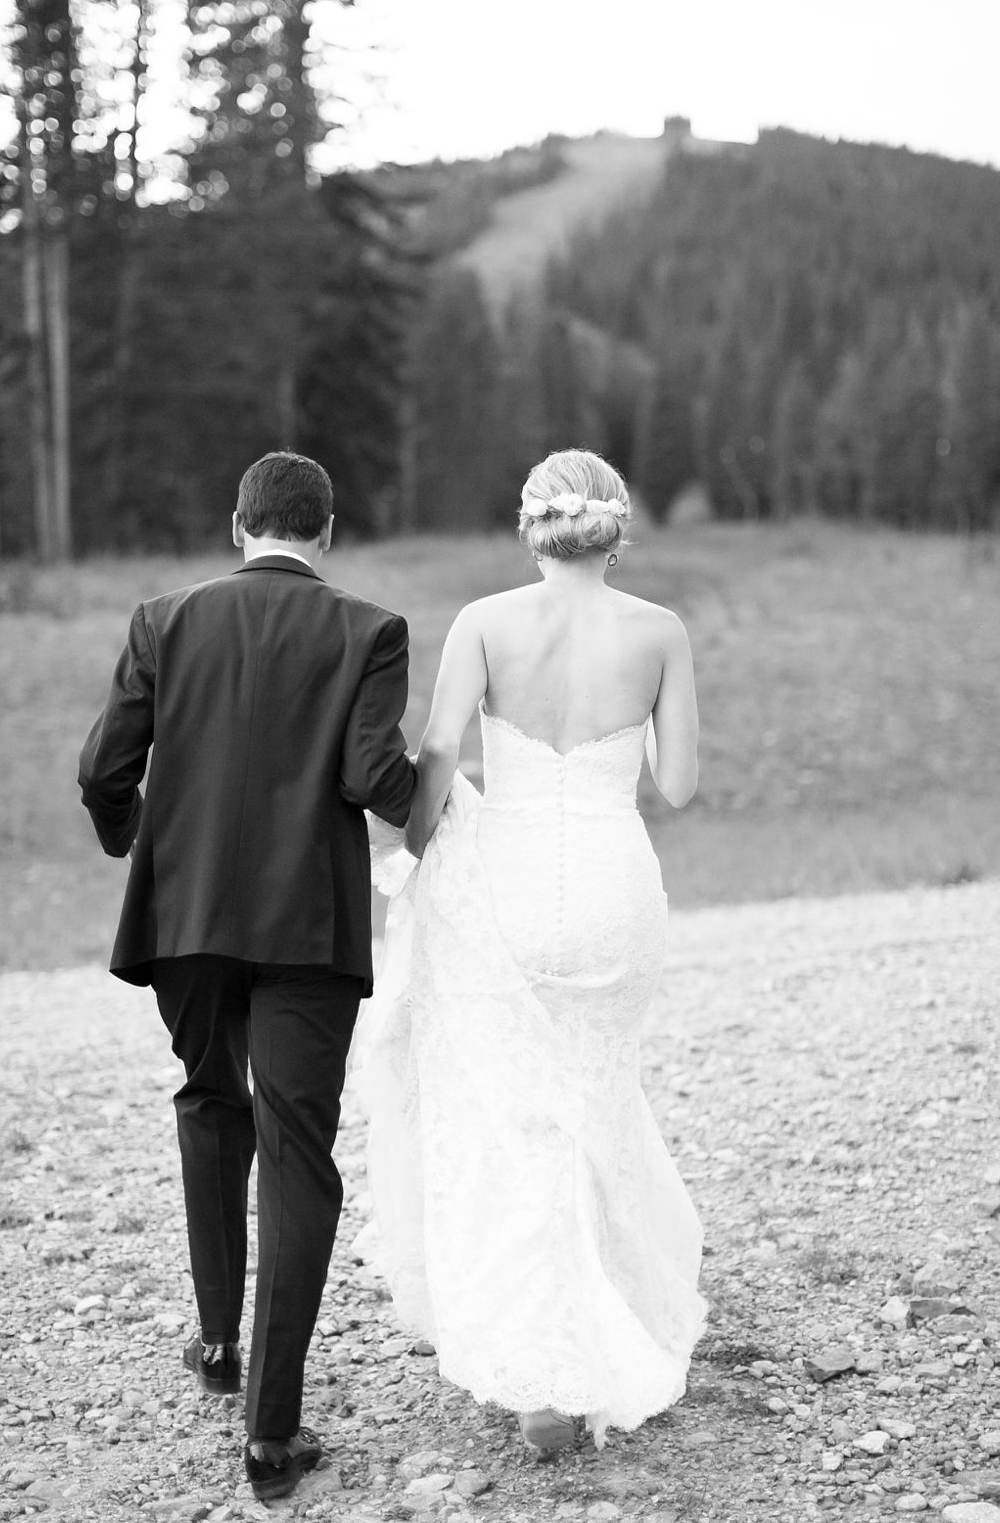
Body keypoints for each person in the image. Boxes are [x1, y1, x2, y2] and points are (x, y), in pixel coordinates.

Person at [78, 451, 416, 1502]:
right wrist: (437, 785)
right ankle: (272, 1433)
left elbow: (102, 770)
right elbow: (375, 780)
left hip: (186, 913)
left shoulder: (161, 619)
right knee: (298, 1150)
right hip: (307, 925)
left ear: (239, 526)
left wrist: (135, 836)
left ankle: (217, 1338)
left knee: (208, 1096)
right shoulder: (370, 629)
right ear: (326, 530)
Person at [357, 447, 706, 1454]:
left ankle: (537, 1364)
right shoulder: (660, 632)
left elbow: (434, 760)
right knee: (596, 1098)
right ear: (617, 526)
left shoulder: (482, 622)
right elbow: (676, 785)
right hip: (611, 883)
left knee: (511, 1115)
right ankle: (606, 1330)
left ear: (532, 523)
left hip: (503, 887)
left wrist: (413, 863)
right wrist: (623, 732)